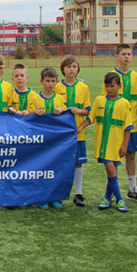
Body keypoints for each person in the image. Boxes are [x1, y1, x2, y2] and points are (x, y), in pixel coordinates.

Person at [77, 72, 135, 213]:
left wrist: (125, 145)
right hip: (102, 142)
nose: (109, 89)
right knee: (110, 168)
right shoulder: (99, 100)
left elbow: (128, 127)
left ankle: (107, 197)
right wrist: (81, 127)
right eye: (107, 86)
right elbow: (91, 118)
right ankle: (119, 199)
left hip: (117, 142)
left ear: (119, 86)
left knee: (112, 170)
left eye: (112, 86)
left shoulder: (124, 103)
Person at [104, 44, 137, 203]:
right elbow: (106, 100)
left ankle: (132, 188)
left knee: (131, 155)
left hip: (132, 124)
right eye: (123, 54)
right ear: (117, 56)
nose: (127, 57)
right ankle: (111, 190)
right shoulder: (111, 75)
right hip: (116, 125)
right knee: (113, 158)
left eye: (129, 54)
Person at [55, 55, 91, 206]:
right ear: (63, 69)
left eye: (74, 66)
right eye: (68, 66)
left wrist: (78, 111)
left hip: (78, 133)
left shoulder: (83, 87)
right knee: (61, 163)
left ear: (78, 69)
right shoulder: (57, 87)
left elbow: (88, 110)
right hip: (61, 134)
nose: (71, 69)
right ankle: (59, 193)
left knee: (78, 163)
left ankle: (78, 193)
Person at [32, 67, 67, 209]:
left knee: (55, 168)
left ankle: (54, 197)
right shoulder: (35, 98)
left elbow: (66, 114)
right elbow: (28, 115)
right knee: (42, 168)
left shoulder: (60, 99)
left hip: (56, 141)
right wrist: (34, 111)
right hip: (41, 140)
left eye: (53, 81)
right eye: (47, 81)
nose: (50, 84)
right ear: (41, 81)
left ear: (57, 82)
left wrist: (62, 109)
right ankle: (42, 198)